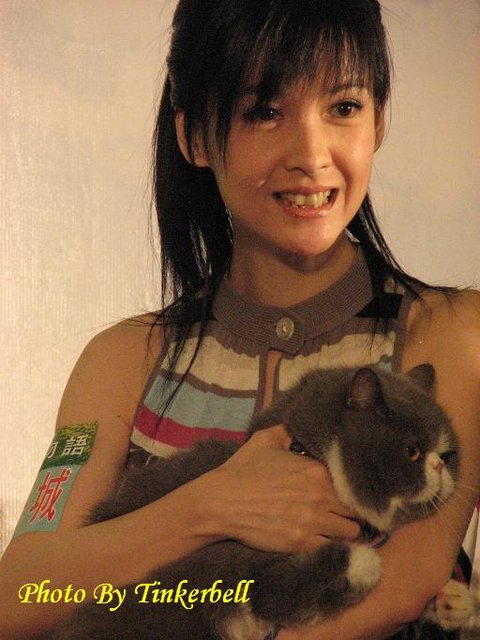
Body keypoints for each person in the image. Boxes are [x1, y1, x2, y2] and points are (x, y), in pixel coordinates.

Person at [1, 0, 479, 638]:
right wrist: (208, 506)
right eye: (265, 112)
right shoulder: (122, 360)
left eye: (343, 107)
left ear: (379, 120)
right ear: (194, 137)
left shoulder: (451, 335)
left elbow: (400, 590)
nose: (312, 155)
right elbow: (20, 592)